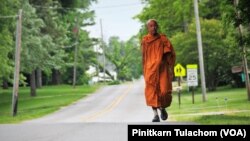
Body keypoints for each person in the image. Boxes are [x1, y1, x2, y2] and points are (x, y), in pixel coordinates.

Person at [141, 19, 176, 122]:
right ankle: (155, 115)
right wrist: (145, 69)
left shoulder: (163, 39)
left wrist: (170, 65)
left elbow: (170, 53)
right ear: (148, 28)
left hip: (162, 69)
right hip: (150, 70)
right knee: (152, 92)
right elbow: (144, 57)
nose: (154, 28)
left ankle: (162, 108)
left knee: (164, 91)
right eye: (151, 26)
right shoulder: (145, 40)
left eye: (155, 26)